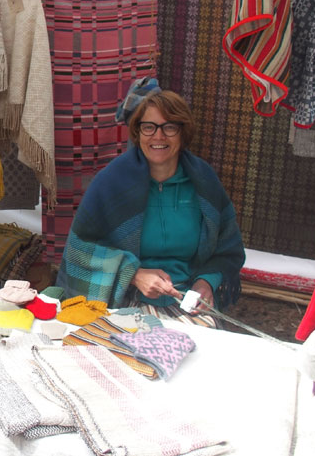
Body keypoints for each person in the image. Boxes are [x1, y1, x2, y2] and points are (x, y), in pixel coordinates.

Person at [56, 90, 244, 324]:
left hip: (186, 300)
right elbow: (79, 249)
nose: (158, 136)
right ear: (138, 132)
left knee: (197, 344)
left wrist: (206, 282)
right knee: (126, 344)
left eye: (169, 127)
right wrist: (133, 274)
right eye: (149, 127)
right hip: (124, 299)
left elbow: (228, 249)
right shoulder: (112, 182)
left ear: (183, 132)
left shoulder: (203, 182)